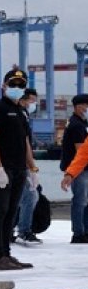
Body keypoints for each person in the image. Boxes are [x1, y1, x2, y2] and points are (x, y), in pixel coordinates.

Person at [0, 68, 39, 270]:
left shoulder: (22, 111)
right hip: (1, 169)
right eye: (12, 84)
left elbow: (25, 141)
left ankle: (6, 254)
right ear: (3, 86)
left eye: (20, 85)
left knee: (11, 211)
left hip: (18, 168)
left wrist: (32, 168)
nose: (16, 88)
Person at [14, 88, 42, 245]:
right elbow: (24, 144)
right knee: (30, 196)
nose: (33, 104)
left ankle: (11, 229)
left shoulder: (22, 116)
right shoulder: (19, 116)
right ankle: (24, 231)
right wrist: (32, 168)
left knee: (19, 198)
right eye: (31, 100)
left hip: (20, 164)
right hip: (20, 164)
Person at [59, 93, 88, 243]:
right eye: (85, 105)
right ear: (78, 106)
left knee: (83, 200)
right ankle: (79, 232)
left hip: (78, 167)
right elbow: (81, 151)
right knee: (81, 200)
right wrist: (70, 173)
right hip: (79, 169)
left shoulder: (80, 123)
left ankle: (83, 230)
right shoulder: (77, 125)